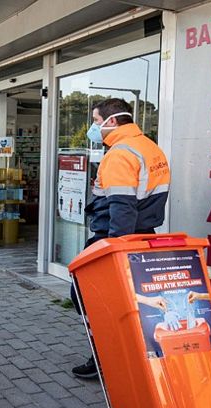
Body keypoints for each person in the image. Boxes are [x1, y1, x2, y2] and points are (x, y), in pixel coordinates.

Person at [71, 97, 171, 379]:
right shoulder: (150, 148)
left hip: (115, 238)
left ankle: (105, 356)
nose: (93, 127)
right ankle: (134, 356)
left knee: (84, 294)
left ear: (111, 121)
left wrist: (113, 252)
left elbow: (122, 208)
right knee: (134, 301)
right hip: (144, 235)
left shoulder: (120, 153)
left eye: (95, 120)